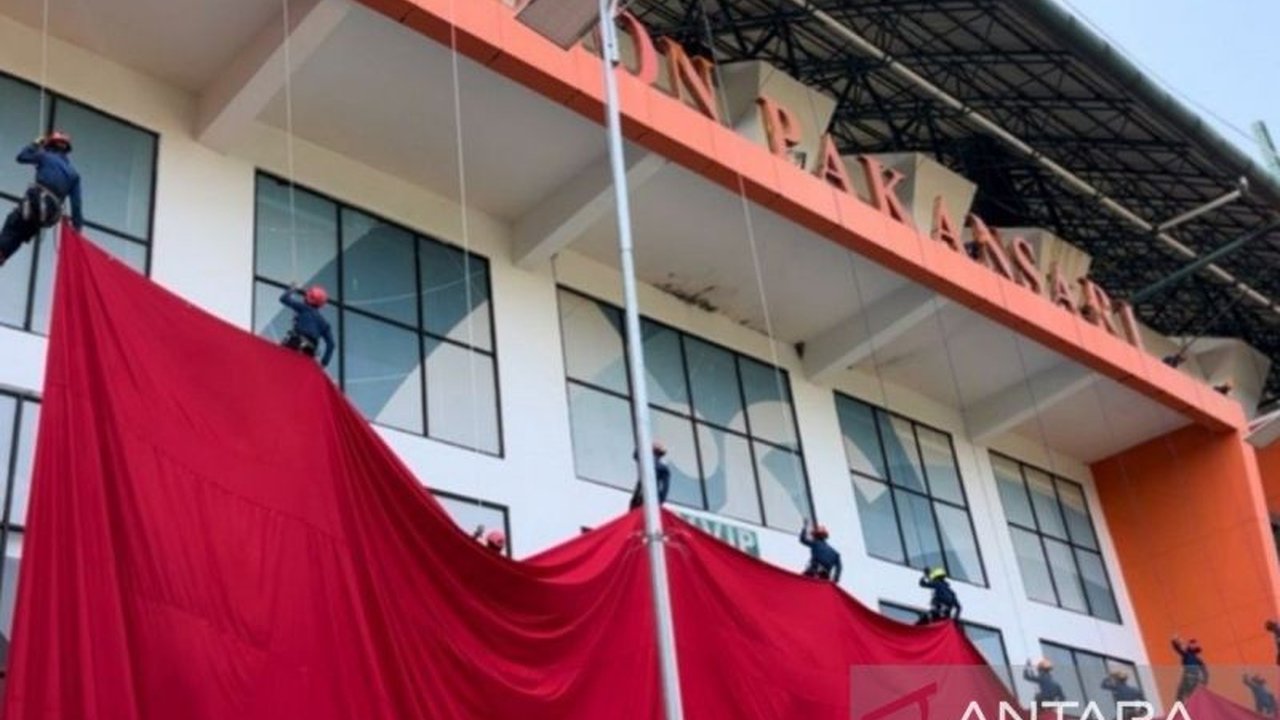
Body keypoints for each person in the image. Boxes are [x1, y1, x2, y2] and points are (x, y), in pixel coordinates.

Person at [0, 132, 83, 266]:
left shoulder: (45, 156)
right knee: (21, 234)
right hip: (47, 215)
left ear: (50, 145)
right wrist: (77, 232)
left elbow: (21, 157)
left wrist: (35, 143)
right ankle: (3, 255)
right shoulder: (74, 174)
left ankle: (1, 253)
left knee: (13, 224)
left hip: (36, 202)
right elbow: (76, 206)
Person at [279, 284, 334, 367]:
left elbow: (283, 299)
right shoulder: (324, 323)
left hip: (295, 344)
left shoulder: (304, 309)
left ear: (308, 298)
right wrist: (323, 364)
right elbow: (331, 344)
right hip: (309, 352)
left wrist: (292, 289)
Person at [628, 442, 670, 510]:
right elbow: (665, 490)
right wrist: (659, 502)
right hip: (644, 497)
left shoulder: (648, 462)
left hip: (644, 496)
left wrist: (646, 444)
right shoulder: (661, 467)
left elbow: (665, 488)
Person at [1172, 636, 1208, 701]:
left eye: (1193, 644)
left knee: (1186, 693)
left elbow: (1204, 670)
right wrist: (1175, 641)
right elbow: (1178, 649)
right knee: (1185, 693)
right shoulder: (1187, 654)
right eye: (1191, 644)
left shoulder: (1195, 658)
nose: (1192, 645)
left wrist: (1204, 681)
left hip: (1192, 677)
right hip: (1190, 676)